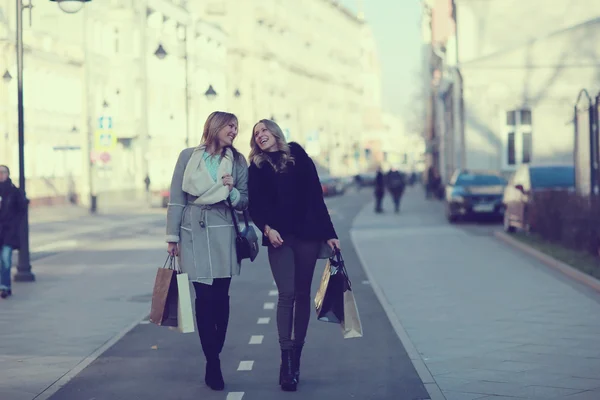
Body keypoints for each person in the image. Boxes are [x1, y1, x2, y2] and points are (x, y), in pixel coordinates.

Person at [247, 119, 340, 392]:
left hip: (308, 236)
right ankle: (285, 361)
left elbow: (315, 197)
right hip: (279, 238)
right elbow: (255, 204)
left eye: (264, 130)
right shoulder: (257, 166)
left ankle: (296, 359)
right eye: (256, 134)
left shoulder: (298, 154)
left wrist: (330, 233)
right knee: (286, 294)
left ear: (275, 132)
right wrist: (266, 229)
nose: (260, 135)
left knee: (302, 295)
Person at [165, 111, 248, 391]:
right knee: (203, 297)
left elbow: (245, 200)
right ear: (214, 127)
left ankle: (215, 351)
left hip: (224, 228)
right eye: (230, 126)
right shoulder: (188, 156)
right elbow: (177, 199)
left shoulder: (237, 161)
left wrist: (233, 191)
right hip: (194, 230)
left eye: (236, 127)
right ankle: (212, 362)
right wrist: (172, 236)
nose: (234, 131)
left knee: (221, 297)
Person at [0, 165, 27, 299]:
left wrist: (14, 223)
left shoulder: (13, 191)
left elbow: (21, 209)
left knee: (5, 259)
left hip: (8, 232)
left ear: (8, 174)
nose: (0, 174)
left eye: (3, 172)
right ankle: (5, 285)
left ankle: (4, 287)